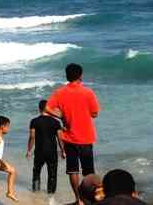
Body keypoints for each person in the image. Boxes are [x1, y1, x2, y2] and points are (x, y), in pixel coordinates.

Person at [47, 63, 101, 205]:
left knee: (72, 170)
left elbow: (47, 107)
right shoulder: (88, 92)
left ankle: (78, 200)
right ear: (80, 76)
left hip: (69, 138)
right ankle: (89, 198)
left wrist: (61, 117)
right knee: (89, 172)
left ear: (67, 76)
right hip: (86, 137)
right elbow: (95, 113)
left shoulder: (60, 92)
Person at [27, 100, 65, 194]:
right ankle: (51, 196)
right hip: (52, 152)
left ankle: (36, 193)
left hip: (39, 151)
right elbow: (60, 139)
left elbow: (32, 137)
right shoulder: (56, 122)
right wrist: (63, 151)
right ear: (49, 109)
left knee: (36, 172)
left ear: (39, 109)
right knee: (52, 174)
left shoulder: (34, 121)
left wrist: (29, 150)